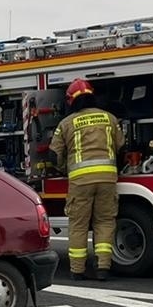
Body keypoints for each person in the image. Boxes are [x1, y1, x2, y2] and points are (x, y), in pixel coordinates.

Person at [53, 78, 123, 281]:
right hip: (108, 179)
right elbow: (121, 147)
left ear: (70, 100)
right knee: (105, 221)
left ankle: (77, 270)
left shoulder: (66, 123)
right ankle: (103, 267)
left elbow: (54, 155)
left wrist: (62, 169)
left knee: (78, 224)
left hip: (79, 181)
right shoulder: (110, 118)